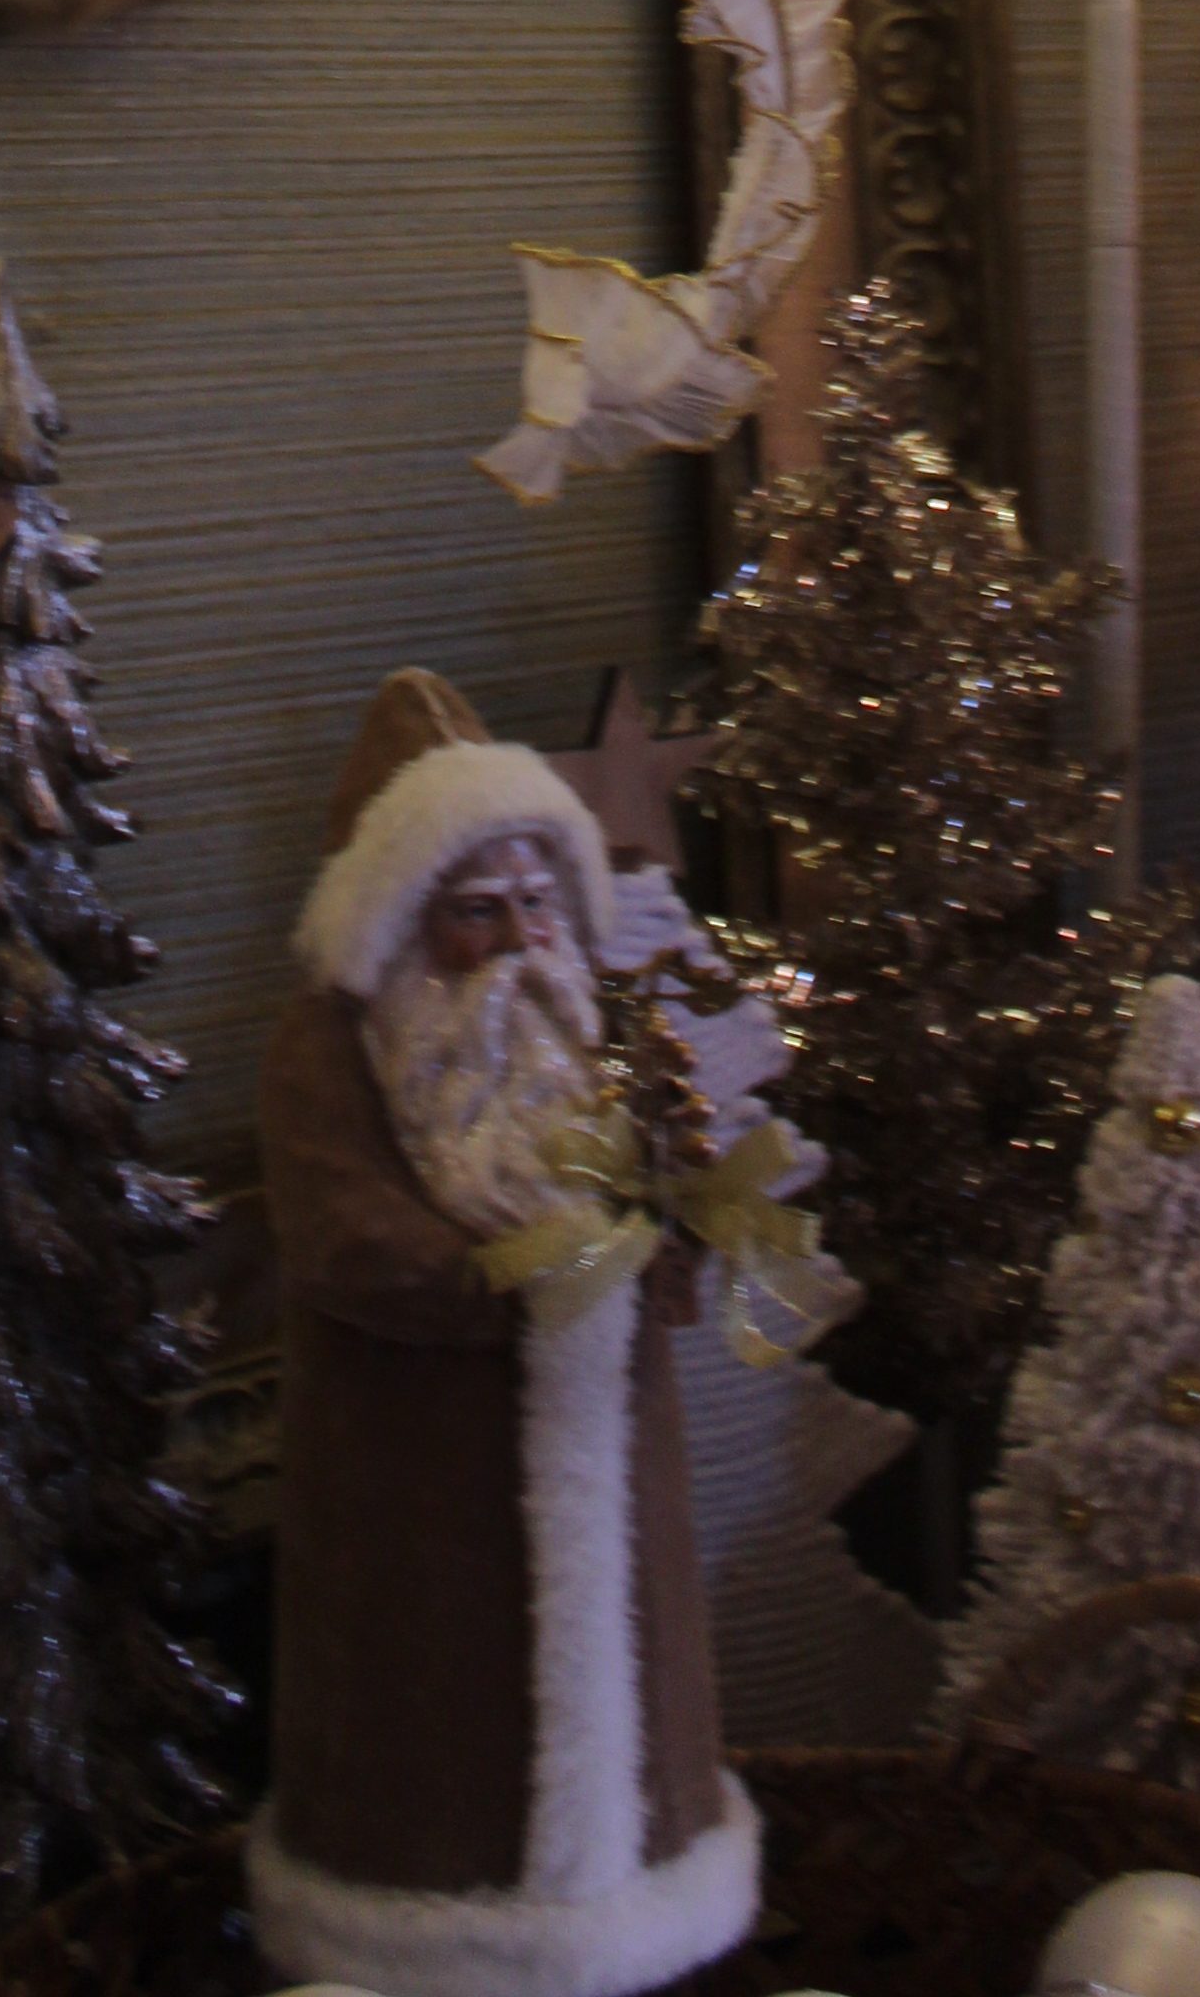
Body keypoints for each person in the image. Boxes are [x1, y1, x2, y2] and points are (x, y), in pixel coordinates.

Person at [248, 669, 754, 1997]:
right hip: (426, 1492)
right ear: (406, 920)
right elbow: (344, 1235)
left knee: (632, 1716)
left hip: (610, 1462)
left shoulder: (587, 1039)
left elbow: (654, 1183)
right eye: (480, 912)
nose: (522, 941)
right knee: (448, 1751)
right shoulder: (332, 1049)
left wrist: (681, 1226)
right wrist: (523, 1285)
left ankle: (638, 1914)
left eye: (538, 905)